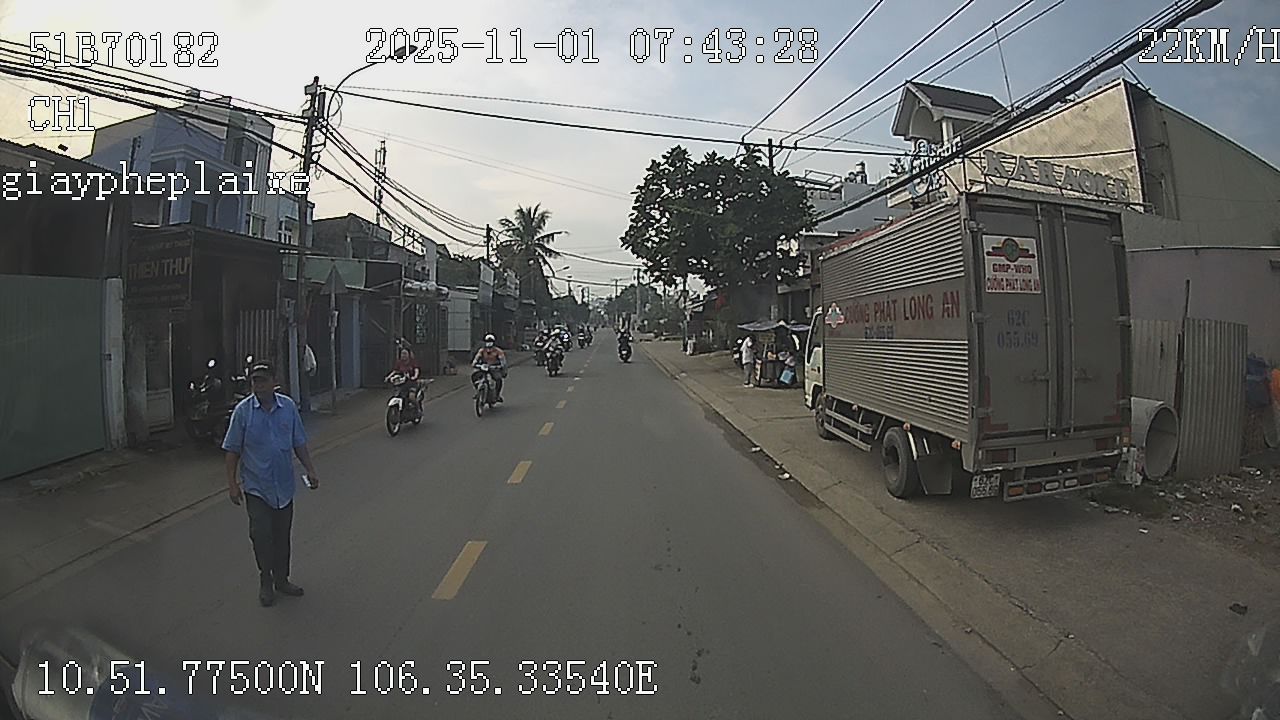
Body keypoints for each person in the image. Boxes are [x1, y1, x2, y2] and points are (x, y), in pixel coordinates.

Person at [222, 361, 319, 607]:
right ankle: (266, 580)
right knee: (261, 536)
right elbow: (232, 450)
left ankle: (282, 580)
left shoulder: (288, 408)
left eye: (264, 380)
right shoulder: (243, 412)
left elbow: (299, 442)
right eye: (255, 381)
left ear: (275, 382)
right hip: (257, 488)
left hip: (284, 487)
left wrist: (310, 469)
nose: (259, 385)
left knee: (282, 536)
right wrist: (232, 484)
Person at [472, 334, 508, 402]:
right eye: (487, 341)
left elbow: (503, 361)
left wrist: (501, 366)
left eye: (490, 341)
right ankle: (478, 391)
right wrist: (475, 363)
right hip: (483, 368)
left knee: (498, 380)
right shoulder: (482, 350)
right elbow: (476, 358)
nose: (489, 343)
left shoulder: (498, 351)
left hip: (494, 368)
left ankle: (497, 395)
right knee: (474, 376)